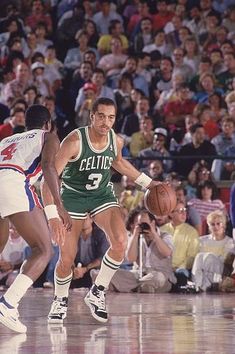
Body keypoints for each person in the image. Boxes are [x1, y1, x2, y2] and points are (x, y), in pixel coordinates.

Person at [41, 97, 160, 324]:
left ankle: (97, 292)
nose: (106, 122)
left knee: (120, 242)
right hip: (72, 197)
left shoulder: (116, 140)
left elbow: (120, 164)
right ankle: (60, 299)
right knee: (67, 258)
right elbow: (49, 179)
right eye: (102, 116)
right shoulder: (74, 141)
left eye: (111, 117)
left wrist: (149, 183)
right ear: (92, 116)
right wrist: (53, 215)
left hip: (101, 195)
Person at [0, 104, 71, 333]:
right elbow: (48, 166)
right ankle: (8, 304)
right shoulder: (48, 136)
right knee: (43, 249)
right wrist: (59, 206)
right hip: (13, 182)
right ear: (48, 123)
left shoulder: (7, 140)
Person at [108, 208, 176, 293]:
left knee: (157, 277)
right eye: (139, 224)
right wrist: (135, 236)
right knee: (111, 273)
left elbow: (167, 253)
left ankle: (132, 287)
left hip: (159, 276)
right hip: (139, 275)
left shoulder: (165, 236)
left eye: (145, 223)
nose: (143, 226)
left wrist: (154, 234)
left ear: (153, 223)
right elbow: (130, 258)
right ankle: (141, 286)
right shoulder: (135, 237)